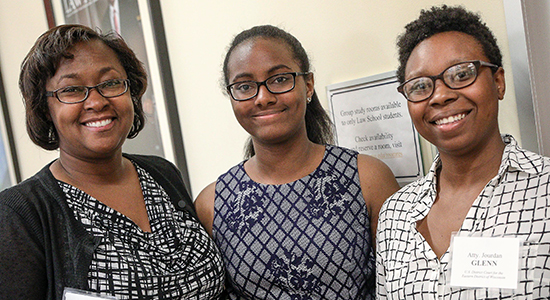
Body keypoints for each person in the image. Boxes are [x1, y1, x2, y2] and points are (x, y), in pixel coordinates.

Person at [0, 24, 225, 300]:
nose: (96, 101)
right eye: (71, 90)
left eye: (110, 83)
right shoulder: (20, 214)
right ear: (45, 108)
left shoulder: (162, 173)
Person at [194, 25, 400, 300]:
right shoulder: (212, 202)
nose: (263, 97)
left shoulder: (368, 177)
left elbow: (399, 286)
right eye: (244, 86)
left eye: (279, 79)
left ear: (309, 85)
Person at [376, 5, 550, 299]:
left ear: (498, 81)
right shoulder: (394, 214)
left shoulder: (545, 190)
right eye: (420, 86)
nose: (441, 95)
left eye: (461, 74)